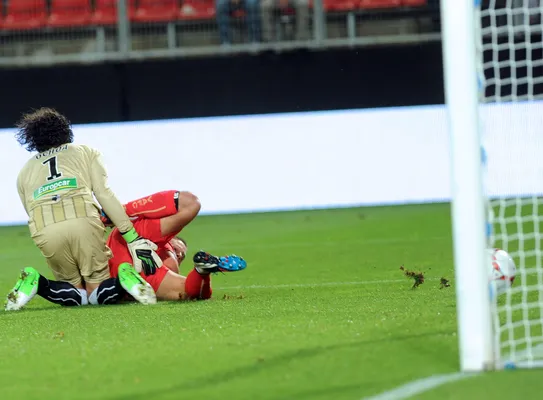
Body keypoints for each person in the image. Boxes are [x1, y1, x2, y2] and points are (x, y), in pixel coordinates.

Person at [5, 108, 161, 311]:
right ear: (65, 130)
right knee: (96, 292)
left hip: (45, 226)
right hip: (82, 218)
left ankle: (38, 282)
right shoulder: (85, 152)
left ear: (32, 139)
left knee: (74, 294)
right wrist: (132, 236)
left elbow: (30, 211)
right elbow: (104, 194)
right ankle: (122, 279)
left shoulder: (24, 172)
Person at [104, 190, 247, 301]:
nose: (179, 254)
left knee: (190, 293)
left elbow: (192, 291)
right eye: (178, 250)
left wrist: (201, 274)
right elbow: (189, 202)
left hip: (140, 270)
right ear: (171, 239)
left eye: (182, 257)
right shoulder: (149, 230)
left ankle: (202, 269)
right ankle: (119, 211)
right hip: (135, 243)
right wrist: (121, 212)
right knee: (192, 203)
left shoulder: (166, 267)